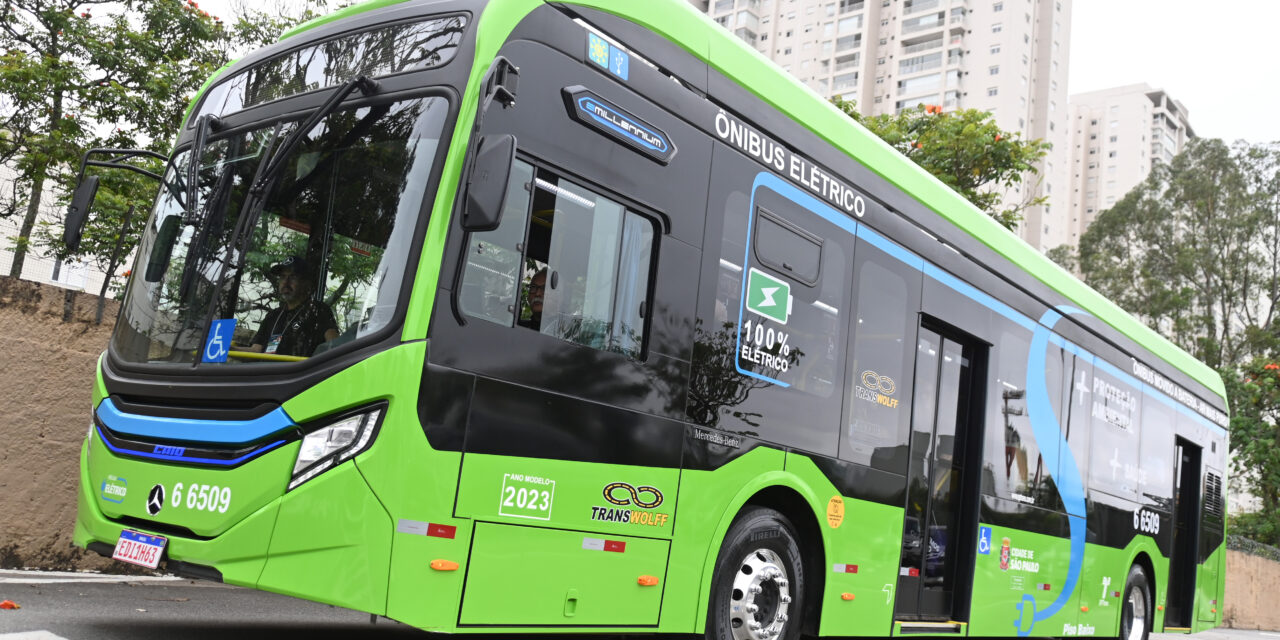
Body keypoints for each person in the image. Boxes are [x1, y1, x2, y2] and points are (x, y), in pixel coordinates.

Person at [247, 256, 339, 357]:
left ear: (306, 283)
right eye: (282, 277)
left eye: (293, 277)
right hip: (268, 370)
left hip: (301, 372)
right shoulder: (273, 315)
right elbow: (255, 350)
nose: (286, 282)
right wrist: (230, 349)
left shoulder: (318, 311)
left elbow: (333, 346)